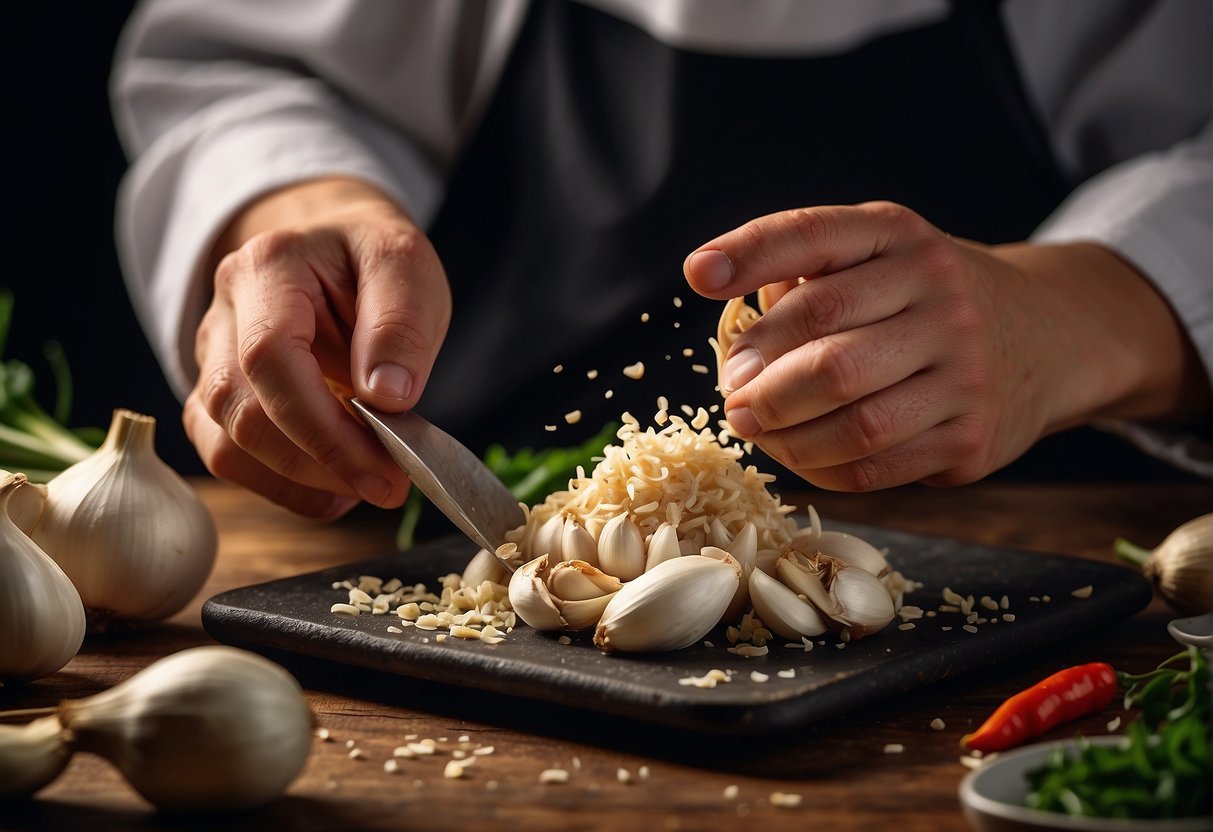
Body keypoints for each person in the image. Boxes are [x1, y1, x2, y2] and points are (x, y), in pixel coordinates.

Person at [108, 0, 1212, 520]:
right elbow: (248, 62)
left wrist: (1080, 312)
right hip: (460, 522)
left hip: (1087, 546)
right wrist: (303, 203)